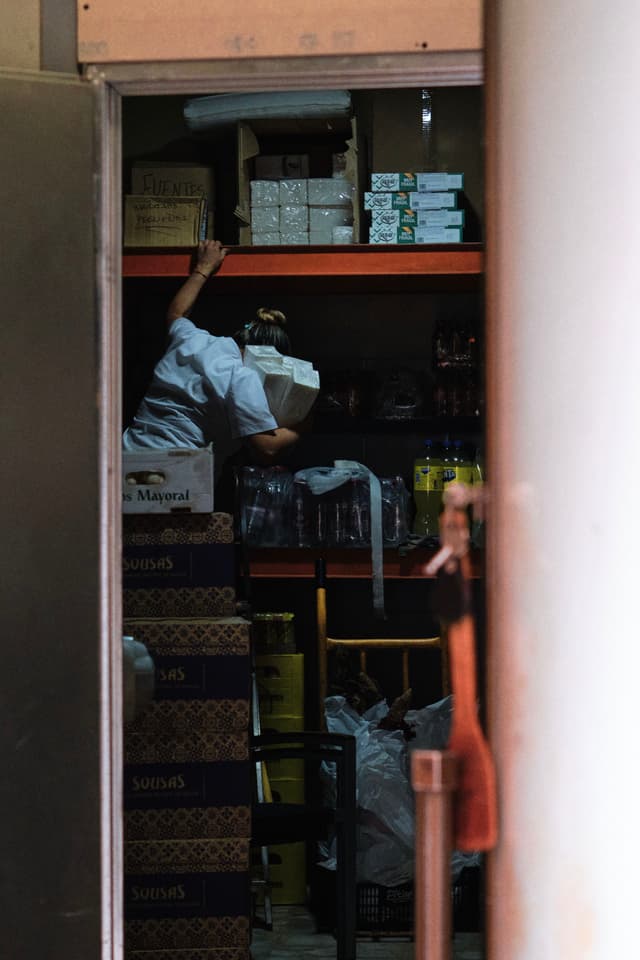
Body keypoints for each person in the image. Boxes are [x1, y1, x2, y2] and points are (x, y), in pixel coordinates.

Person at [123, 239, 310, 485]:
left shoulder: (193, 339)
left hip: (126, 463)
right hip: (176, 479)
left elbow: (176, 313)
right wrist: (303, 423)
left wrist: (203, 268)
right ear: (270, 358)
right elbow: (267, 449)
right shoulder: (242, 377)